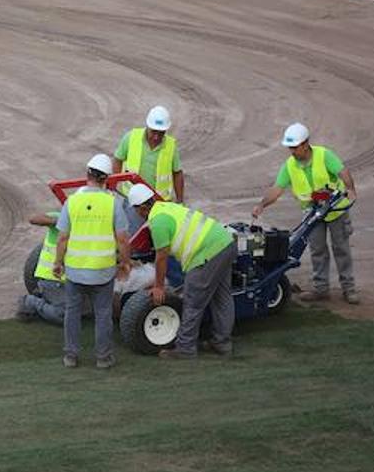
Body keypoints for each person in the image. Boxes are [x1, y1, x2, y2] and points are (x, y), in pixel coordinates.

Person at [251, 123, 359, 304]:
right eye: (290, 148)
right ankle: (321, 288)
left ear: (305, 143)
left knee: (341, 249)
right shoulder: (289, 166)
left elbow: (343, 171)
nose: (292, 151)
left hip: (335, 210)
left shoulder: (324, 155)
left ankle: (349, 289)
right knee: (317, 250)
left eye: (294, 147)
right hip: (312, 214)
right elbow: (277, 189)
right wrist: (262, 205)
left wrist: (350, 189)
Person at [127, 184, 236, 359]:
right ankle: (222, 343)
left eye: (135, 210)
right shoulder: (167, 206)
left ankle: (185, 348)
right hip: (225, 243)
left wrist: (159, 287)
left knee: (192, 301)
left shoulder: (158, 222)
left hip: (206, 254)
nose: (135, 214)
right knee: (221, 297)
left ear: (142, 208)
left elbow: (161, 257)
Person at [53, 154, 132, 369]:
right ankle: (103, 358)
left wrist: (58, 263)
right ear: (106, 179)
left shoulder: (72, 202)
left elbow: (62, 238)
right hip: (103, 271)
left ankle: (70, 356)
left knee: (72, 313)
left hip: (75, 270)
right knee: (103, 315)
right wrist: (125, 263)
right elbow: (123, 239)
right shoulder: (112, 203)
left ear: (87, 174)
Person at [113, 105, 184, 203]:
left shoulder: (171, 146)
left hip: (159, 201)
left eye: (161, 133)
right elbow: (118, 159)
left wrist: (180, 200)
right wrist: (115, 185)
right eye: (154, 132)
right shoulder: (131, 138)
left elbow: (177, 173)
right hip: (132, 199)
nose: (156, 137)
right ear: (147, 126)